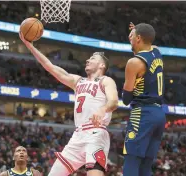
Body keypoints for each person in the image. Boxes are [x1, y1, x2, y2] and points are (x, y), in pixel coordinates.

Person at [19, 33, 118, 176]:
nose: (87, 60)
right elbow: (50, 67)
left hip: (96, 132)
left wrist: (103, 109)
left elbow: (114, 101)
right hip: (78, 135)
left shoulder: (106, 81)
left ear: (102, 65)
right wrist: (30, 46)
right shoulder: (78, 81)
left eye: (92, 59)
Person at [122, 22, 166, 176]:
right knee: (146, 166)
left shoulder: (134, 63)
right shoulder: (157, 52)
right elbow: (148, 38)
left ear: (139, 38)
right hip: (159, 114)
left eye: (132, 36)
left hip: (142, 114)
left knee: (132, 161)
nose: (130, 38)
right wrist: (136, 29)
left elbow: (126, 98)